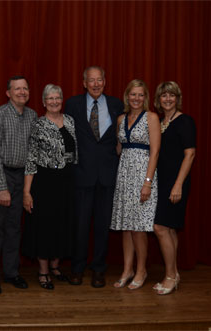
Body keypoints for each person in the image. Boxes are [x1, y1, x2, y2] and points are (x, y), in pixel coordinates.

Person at [64, 66, 124, 288]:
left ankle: (99, 269)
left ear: (105, 82)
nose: (96, 84)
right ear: (84, 83)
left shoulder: (117, 105)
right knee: (79, 226)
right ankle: (77, 269)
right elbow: (67, 138)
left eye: (99, 80)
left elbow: (120, 138)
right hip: (81, 175)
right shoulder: (72, 104)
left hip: (108, 176)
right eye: (92, 80)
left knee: (102, 226)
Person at [0, 76, 37, 295]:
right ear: (8, 93)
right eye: (17, 89)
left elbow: (33, 152)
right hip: (0, 176)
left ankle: (12, 273)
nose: (22, 92)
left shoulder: (33, 115)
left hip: (21, 177)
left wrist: (26, 187)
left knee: (14, 228)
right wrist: (1, 187)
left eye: (25, 88)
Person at [22, 84, 78, 290]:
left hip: (67, 181)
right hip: (45, 181)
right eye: (50, 99)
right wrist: (27, 192)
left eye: (58, 98)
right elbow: (31, 158)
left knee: (63, 223)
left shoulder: (70, 121)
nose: (54, 102)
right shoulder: (38, 125)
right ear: (44, 102)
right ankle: (43, 271)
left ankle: (55, 267)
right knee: (45, 226)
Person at [110, 79, 161, 290]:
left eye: (140, 95)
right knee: (126, 226)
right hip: (124, 176)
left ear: (145, 97)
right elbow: (119, 148)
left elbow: (155, 151)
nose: (136, 98)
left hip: (143, 176)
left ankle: (141, 271)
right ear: (127, 96)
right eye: (133, 94)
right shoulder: (121, 118)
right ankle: (127, 269)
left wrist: (147, 182)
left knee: (139, 228)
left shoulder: (151, 117)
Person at [152, 81, 196, 295]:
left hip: (176, 182)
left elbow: (190, 154)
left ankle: (170, 276)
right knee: (168, 228)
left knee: (159, 227)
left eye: (171, 95)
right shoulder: (160, 122)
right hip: (161, 181)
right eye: (163, 95)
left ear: (177, 98)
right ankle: (174, 273)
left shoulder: (185, 121)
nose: (167, 99)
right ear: (158, 100)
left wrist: (178, 184)